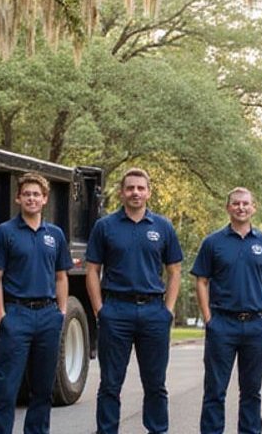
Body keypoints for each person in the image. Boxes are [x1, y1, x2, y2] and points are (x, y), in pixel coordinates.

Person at [87, 168, 184, 434]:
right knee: (110, 383)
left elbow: (175, 270)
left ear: (149, 192)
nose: (135, 193)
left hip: (154, 311)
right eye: (130, 188)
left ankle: (157, 430)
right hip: (115, 310)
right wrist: (100, 310)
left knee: (155, 383)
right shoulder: (105, 226)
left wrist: (168, 310)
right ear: (122, 192)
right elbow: (92, 270)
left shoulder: (162, 227)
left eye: (141, 188)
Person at [191, 187, 262, 434]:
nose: (241, 207)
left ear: (253, 207)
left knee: (251, 391)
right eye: (236, 203)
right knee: (215, 390)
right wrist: (208, 319)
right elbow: (201, 280)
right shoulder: (213, 243)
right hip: (222, 324)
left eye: (245, 203)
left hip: (256, 326)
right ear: (228, 208)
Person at [0, 172, 69, 434]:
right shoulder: (5, 232)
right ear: (18, 198)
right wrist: (2, 317)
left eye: (36, 194)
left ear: (45, 200)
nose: (31, 198)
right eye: (27, 194)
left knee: (43, 390)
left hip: (47, 316)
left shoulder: (55, 235)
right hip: (16, 314)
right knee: (6, 389)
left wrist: (61, 313)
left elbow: (61, 277)